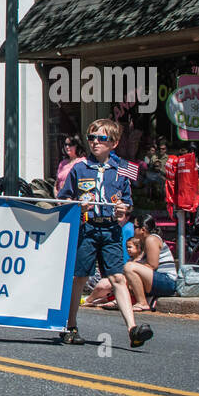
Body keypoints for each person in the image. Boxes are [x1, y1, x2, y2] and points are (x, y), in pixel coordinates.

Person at [56, 119, 153, 348]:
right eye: (91, 138)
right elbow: (63, 197)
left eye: (101, 138)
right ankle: (70, 325)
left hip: (110, 229)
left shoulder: (121, 169)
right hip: (87, 228)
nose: (95, 142)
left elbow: (127, 201)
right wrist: (77, 205)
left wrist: (123, 209)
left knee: (118, 277)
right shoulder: (80, 168)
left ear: (114, 143)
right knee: (80, 277)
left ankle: (132, 329)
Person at [123, 215, 177, 309]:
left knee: (129, 267)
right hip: (158, 279)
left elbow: (152, 266)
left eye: (135, 227)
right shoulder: (145, 241)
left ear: (142, 230)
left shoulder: (151, 239)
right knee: (125, 272)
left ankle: (142, 303)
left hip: (167, 281)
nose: (133, 229)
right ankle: (120, 300)